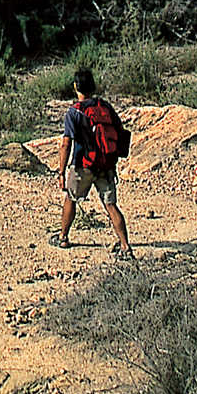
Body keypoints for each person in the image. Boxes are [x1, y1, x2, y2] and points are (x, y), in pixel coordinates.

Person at [54, 65, 133, 255]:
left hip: (83, 165)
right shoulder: (105, 107)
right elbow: (120, 132)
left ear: (76, 87)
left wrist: (61, 172)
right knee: (110, 205)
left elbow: (66, 144)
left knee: (71, 198)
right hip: (106, 164)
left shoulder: (74, 112)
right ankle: (125, 246)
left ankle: (63, 237)